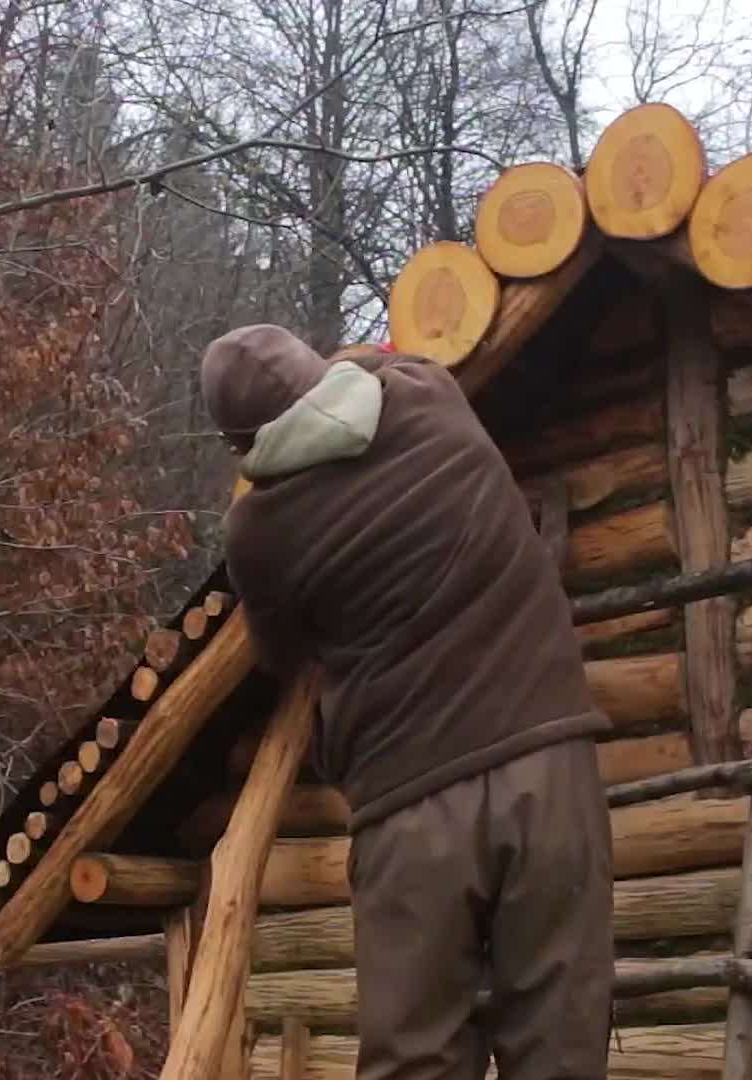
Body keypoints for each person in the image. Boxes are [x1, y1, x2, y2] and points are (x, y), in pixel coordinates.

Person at [200, 324, 613, 1080]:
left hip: (411, 800)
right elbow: (379, 363)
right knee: (562, 1044)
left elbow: (280, 654)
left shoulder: (258, 533)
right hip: (548, 757)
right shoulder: (429, 395)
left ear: (242, 445)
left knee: (415, 1059)